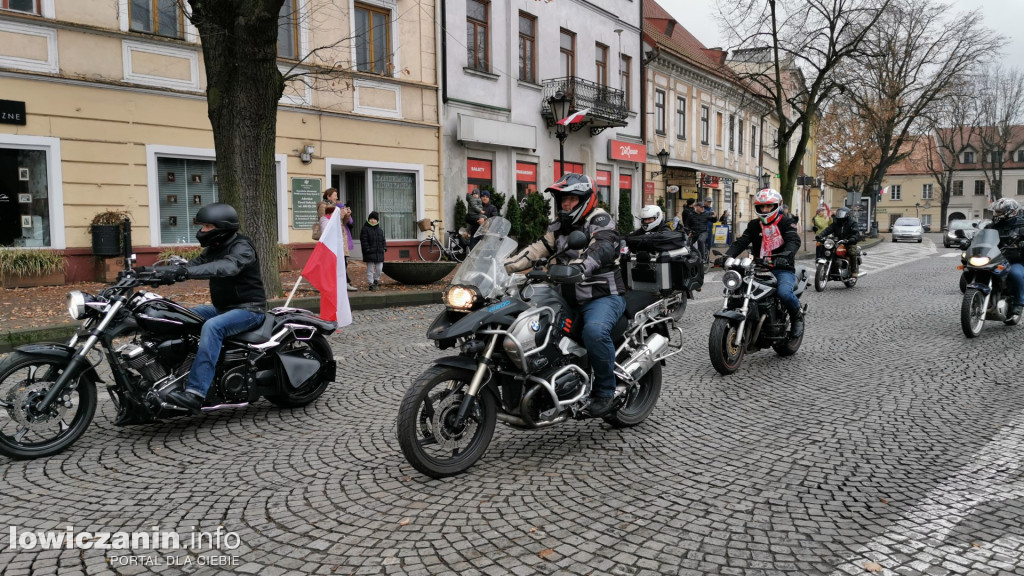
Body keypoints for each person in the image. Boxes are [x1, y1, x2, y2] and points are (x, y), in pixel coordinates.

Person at [505, 173, 626, 418]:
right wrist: (503, 266)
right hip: (565, 295)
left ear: (585, 199)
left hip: (600, 296)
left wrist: (581, 266)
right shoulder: (558, 226)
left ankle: (605, 392)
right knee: (527, 325)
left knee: (594, 332)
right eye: (563, 199)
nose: (566, 204)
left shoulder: (600, 220)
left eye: (571, 199)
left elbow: (602, 248)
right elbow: (537, 249)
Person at [159, 203, 267, 413]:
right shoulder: (214, 247)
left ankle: (196, 392)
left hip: (249, 310)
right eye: (203, 226)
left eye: (208, 226)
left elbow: (227, 266)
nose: (203, 230)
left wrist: (187, 273)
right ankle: (171, 377)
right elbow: (193, 265)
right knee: (179, 315)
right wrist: (156, 273)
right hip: (223, 308)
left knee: (212, 327)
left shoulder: (242, 247)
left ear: (222, 227)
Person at [723, 188, 804, 338]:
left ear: (777, 205)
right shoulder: (754, 225)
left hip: (782, 268)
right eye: (762, 207)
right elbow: (741, 242)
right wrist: (727, 256)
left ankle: (797, 316)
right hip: (757, 267)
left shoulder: (787, 222)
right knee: (737, 291)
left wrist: (785, 255)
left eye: (769, 206)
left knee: (784, 293)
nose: (765, 210)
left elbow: (793, 241)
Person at [983, 197, 1024, 316]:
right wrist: (968, 242)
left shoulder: (1022, 225)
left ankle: (1019, 302)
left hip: (1015, 259)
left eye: (999, 212)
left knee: (1015, 274)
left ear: (1010, 212)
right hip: (994, 258)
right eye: (996, 211)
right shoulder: (992, 226)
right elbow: (982, 236)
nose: (996, 214)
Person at [817, 207, 862, 277]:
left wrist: (852, 239)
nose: (840, 215)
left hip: (848, 242)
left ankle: (854, 271)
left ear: (847, 214)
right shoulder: (836, 223)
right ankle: (834, 268)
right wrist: (820, 235)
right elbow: (828, 230)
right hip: (838, 242)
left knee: (852, 252)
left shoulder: (852, 222)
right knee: (829, 251)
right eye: (839, 213)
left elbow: (856, 233)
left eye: (842, 214)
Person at [360, 211, 387, 291]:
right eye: (371, 219)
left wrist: (384, 247)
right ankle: (371, 283)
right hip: (369, 253)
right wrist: (367, 249)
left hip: (379, 252)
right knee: (370, 269)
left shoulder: (380, 230)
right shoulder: (365, 229)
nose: (372, 220)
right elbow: (364, 240)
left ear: (377, 220)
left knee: (379, 269)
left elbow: (383, 240)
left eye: (374, 219)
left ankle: (376, 280)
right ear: (368, 219)